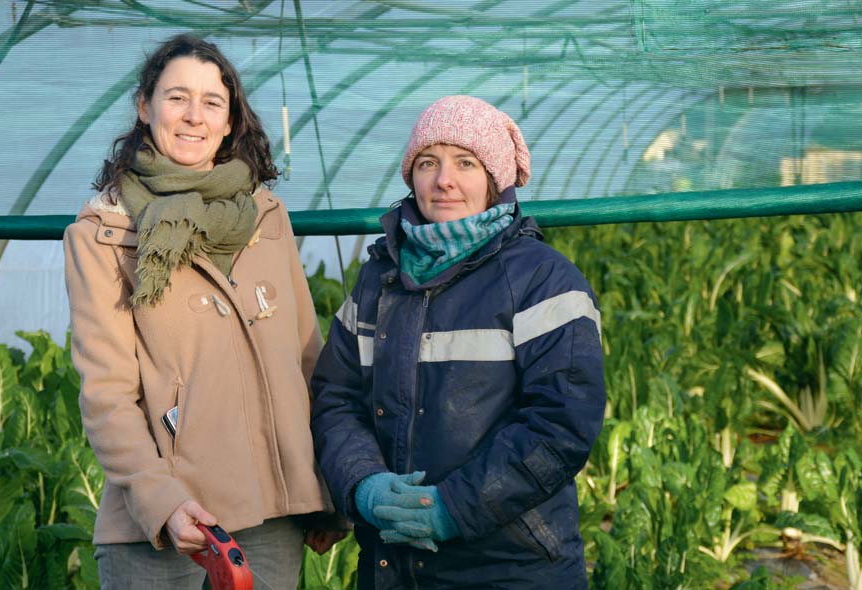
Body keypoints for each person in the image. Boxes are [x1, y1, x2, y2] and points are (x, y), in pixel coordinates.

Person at [64, 34, 344, 590]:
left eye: (212, 102)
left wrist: (326, 486)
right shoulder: (104, 234)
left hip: (272, 516)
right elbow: (107, 393)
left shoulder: (266, 217)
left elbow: (307, 358)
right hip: (170, 524)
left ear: (230, 119)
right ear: (145, 109)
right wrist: (161, 500)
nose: (194, 117)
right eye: (176, 98)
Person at [310, 95, 606, 589]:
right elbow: (335, 399)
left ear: (494, 181)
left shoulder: (544, 280)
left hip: (512, 567)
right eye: (428, 163)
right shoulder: (378, 282)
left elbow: (561, 421)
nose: (443, 180)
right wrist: (364, 486)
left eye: (465, 163)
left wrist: (452, 509)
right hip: (393, 564)